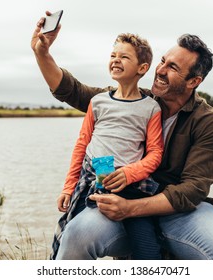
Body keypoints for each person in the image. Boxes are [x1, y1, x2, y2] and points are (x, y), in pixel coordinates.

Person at [31, 11, 213, 260]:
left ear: (194, 81)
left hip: (179, 213)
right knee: (77, 234)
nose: (160, 70)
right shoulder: (135, 100)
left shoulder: (209, 122)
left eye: (172, 67)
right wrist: (42, 53)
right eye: (162, 60)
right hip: (122, 198)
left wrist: (131, 208)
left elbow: (192, 190)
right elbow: (72, 91)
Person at [54, 32, 164, 259]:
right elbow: (82, 145)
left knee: (148, 251)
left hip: (131, 187)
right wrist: (68, 186)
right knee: (69, 235)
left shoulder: (151, 108)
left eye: (124, 57)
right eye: (113, 55)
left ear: (142, 68)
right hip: (93, 180)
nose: (115, 60)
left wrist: (129, 173)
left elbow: (155, 153)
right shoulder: (98, 101)